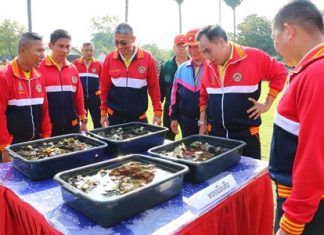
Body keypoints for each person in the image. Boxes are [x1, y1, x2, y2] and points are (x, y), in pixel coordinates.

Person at [270, 1, 324, 234]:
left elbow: (315, 155)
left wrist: (291, 224)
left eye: (275, 39)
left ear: (289, 31)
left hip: (307, 206)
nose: (277, 47)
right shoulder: (310, 70)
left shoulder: (317, 73)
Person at [196, 24, 287, 159]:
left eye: (208, 51)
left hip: (246, 137)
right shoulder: (208, 66)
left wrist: (267, 104)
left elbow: (280, 72)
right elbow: (204, 95)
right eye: (203, 52)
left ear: (221, 42)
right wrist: (202, 122)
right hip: (215, 136)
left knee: (249, 178)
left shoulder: (253, 57)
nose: (206, 57)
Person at [0, 32, 51, 163]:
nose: (43, 55)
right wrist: (5, 149)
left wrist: (46, 137)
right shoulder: (4, 76)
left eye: (43, 50)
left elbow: (44, 110)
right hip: (13, 148)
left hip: (37, 145)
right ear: (23, 50)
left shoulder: (39, 77)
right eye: (39, 50)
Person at [100, 23, 162, 126]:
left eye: (124, 43)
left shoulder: (147, 58)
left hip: (139, 118)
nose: (120, 46)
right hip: (114, 117)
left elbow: (154, 87)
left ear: (133, 39)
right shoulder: (110, 59)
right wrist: (103, 113)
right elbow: (104, 88)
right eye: (116, 42)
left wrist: (157, 112)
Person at [38, 29, 87, 136]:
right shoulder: (39, 68)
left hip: (72, 126)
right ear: (50, 45)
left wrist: (83, 119)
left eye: (68, 46)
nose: (65, 50)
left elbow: (79, 97)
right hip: (49, 128)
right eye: (60, 46)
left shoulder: (73, 68)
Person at [169, 29, 206, 138]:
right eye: (190, 46)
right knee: (188, 153)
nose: (193, 50)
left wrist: (204, 121)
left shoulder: (212, 67)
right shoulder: (181, 69)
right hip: (186, 123)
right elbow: (174, 96)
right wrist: (174, 117)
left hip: (207, 123)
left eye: (196, 46)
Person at [159, 34, 188, 140]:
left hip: (187, 109)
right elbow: (161, 89)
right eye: (179, 45)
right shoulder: (167, 66)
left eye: (184, 45)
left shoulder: (194, 65)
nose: (182, 48)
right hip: (170, 108)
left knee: (190, 139)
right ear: (174, 48)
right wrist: (158, 111)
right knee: (168, 140)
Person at [73, 42, 102, 128]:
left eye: (91, 50)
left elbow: (103, 82)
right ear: (82, 50)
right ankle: (83, 139)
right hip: (80, 98)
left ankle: (99, 140)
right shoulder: (75, 64)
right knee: (81, 123)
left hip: (95, 98)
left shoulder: (98, 64)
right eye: (86, 50)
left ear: (94, 51)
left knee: (98, 121)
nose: (89, 52)